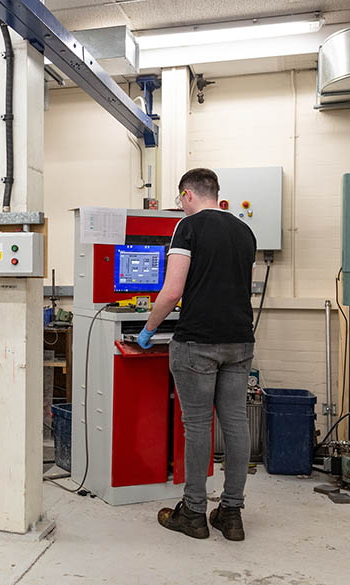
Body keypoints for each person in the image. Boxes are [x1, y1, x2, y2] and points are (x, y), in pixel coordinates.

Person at [138, 168, 256, 541]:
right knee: (236, 425)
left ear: (187, 195)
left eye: (180, 200)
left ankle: (192, 512)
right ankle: (231, 513)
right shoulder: (245, 232)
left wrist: (149, 328)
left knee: (198, 426)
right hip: (240, 341)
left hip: (197, 343)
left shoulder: (187, 228)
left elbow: (172, 292)